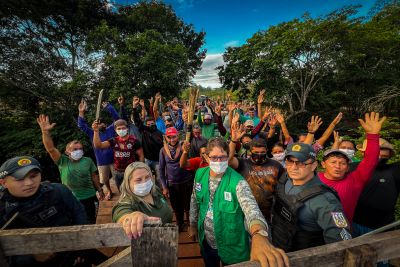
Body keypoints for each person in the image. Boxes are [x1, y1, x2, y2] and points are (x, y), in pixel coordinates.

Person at [188, 137, 289, 267]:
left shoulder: (238, 182)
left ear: (228, 156)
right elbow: (194, 200)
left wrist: (259, 234)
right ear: (206, 157)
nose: (218, 161)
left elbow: (252, 210)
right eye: (214, 157)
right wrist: (192, 224)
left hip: (231, 244)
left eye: (223, 157)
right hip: (206, 239)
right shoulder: (200, 174)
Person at [0, 156, 106, 266]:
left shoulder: (58, 191)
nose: (29, 183)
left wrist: (81, 246)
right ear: (3, 183)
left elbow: (78, 212)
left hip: (76, 251)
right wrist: (31, 256)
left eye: (34, 176)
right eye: (20, 179)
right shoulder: (3, 212)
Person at [271, 143, 352, 252]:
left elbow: (342, 244)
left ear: (314, 165)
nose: (294, 167)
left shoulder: (326, 202)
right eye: (290, 161)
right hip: (277, 246)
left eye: (301, 163)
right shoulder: (285, 178)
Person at [319, 112, 386, 224]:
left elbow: (370, 161)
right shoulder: (314, 178)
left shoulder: (355, 181)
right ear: (323, 164)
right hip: (311, 233)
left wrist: (373, 136)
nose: (337, 166)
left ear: (347, 167)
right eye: (333, 162)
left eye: (342, 163)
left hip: (342, 234)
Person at [37, 115, 104, 223]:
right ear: (67, 151)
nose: (79, 151)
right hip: (70, 198)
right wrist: (45, 132)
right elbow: (51, 148)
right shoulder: (62, 161)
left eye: (80, 149)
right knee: (74, 221)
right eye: (75, 149)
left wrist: (100, 190)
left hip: (89, 197)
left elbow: (94, 176)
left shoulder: (87, 160)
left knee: (91, 220)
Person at [229, 124, 284, 222]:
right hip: (246, 211)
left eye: (262, 152)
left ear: (267, 151)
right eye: (256, 152)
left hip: (269, 212)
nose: (259, 155)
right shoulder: (243, 163)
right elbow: (228, 160)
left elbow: (283, 186)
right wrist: (233, 141)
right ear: (250, 152)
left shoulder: (276, 165)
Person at [112, 162, 173, 238]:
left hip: (168, 236)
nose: (144, 182)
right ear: (128, 183)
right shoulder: (128, 202)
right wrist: (133, 216)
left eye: (147, 177)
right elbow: (121, 212)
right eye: (138, 180)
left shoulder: (155, 190)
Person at [353, 138, 400, 236]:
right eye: (376, 152)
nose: (379, 156)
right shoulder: (352, 168)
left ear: (389, 154)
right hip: (355, 224)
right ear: (363, 153)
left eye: (383, 153)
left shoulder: (394, 170)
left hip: (384, 227)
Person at [78, 99, 119, 200]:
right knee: (105, 180)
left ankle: (122, 192)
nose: (100, 124)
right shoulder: (92, 133)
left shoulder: (111, 129)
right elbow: (82, 125)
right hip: (102, 161)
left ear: (105, 124)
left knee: (118, 178)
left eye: (102, 123)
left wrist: (109, 107)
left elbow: (118, 120)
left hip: (115, 159)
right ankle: (109, 191)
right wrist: (81, 112)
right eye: (98, 123)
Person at [92, 119, 145, 191]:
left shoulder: (134, 140)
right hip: (117, 172)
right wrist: (95, 131)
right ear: (115, 130)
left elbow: (141, 155)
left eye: (123, 128)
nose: (121, 130)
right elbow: (98, 145)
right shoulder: (114, 140)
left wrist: (140, 169)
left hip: (131, 171)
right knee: (121, 190)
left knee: (134, 189)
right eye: (119, 129)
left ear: (127, 128)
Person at [159, 127, 193, 231]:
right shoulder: (163, 150)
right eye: (169, 137)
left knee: (188, 205)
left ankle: (190, 223)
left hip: (186, 182)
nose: (172, 139)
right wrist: (164, 187)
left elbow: (190, 161)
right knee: (176, 206)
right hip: (172, 184)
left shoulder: (183, 146)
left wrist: (186, 149)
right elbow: (161, 169)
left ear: (177, 136)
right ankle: (179, 223)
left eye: (174, 137)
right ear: (166, 138)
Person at [131, 97, 164, 187]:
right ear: (146, 125)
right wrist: (134, 107)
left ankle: (159, 192)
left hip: (158, 160)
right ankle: (148, 191)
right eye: (148, 124)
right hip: (147, 159)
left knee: (159, 178)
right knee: (146, 178)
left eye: (152, 123)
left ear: (155, 123)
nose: (150, 125)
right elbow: (137, 121)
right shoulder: (144, 130)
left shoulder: (160, 134)